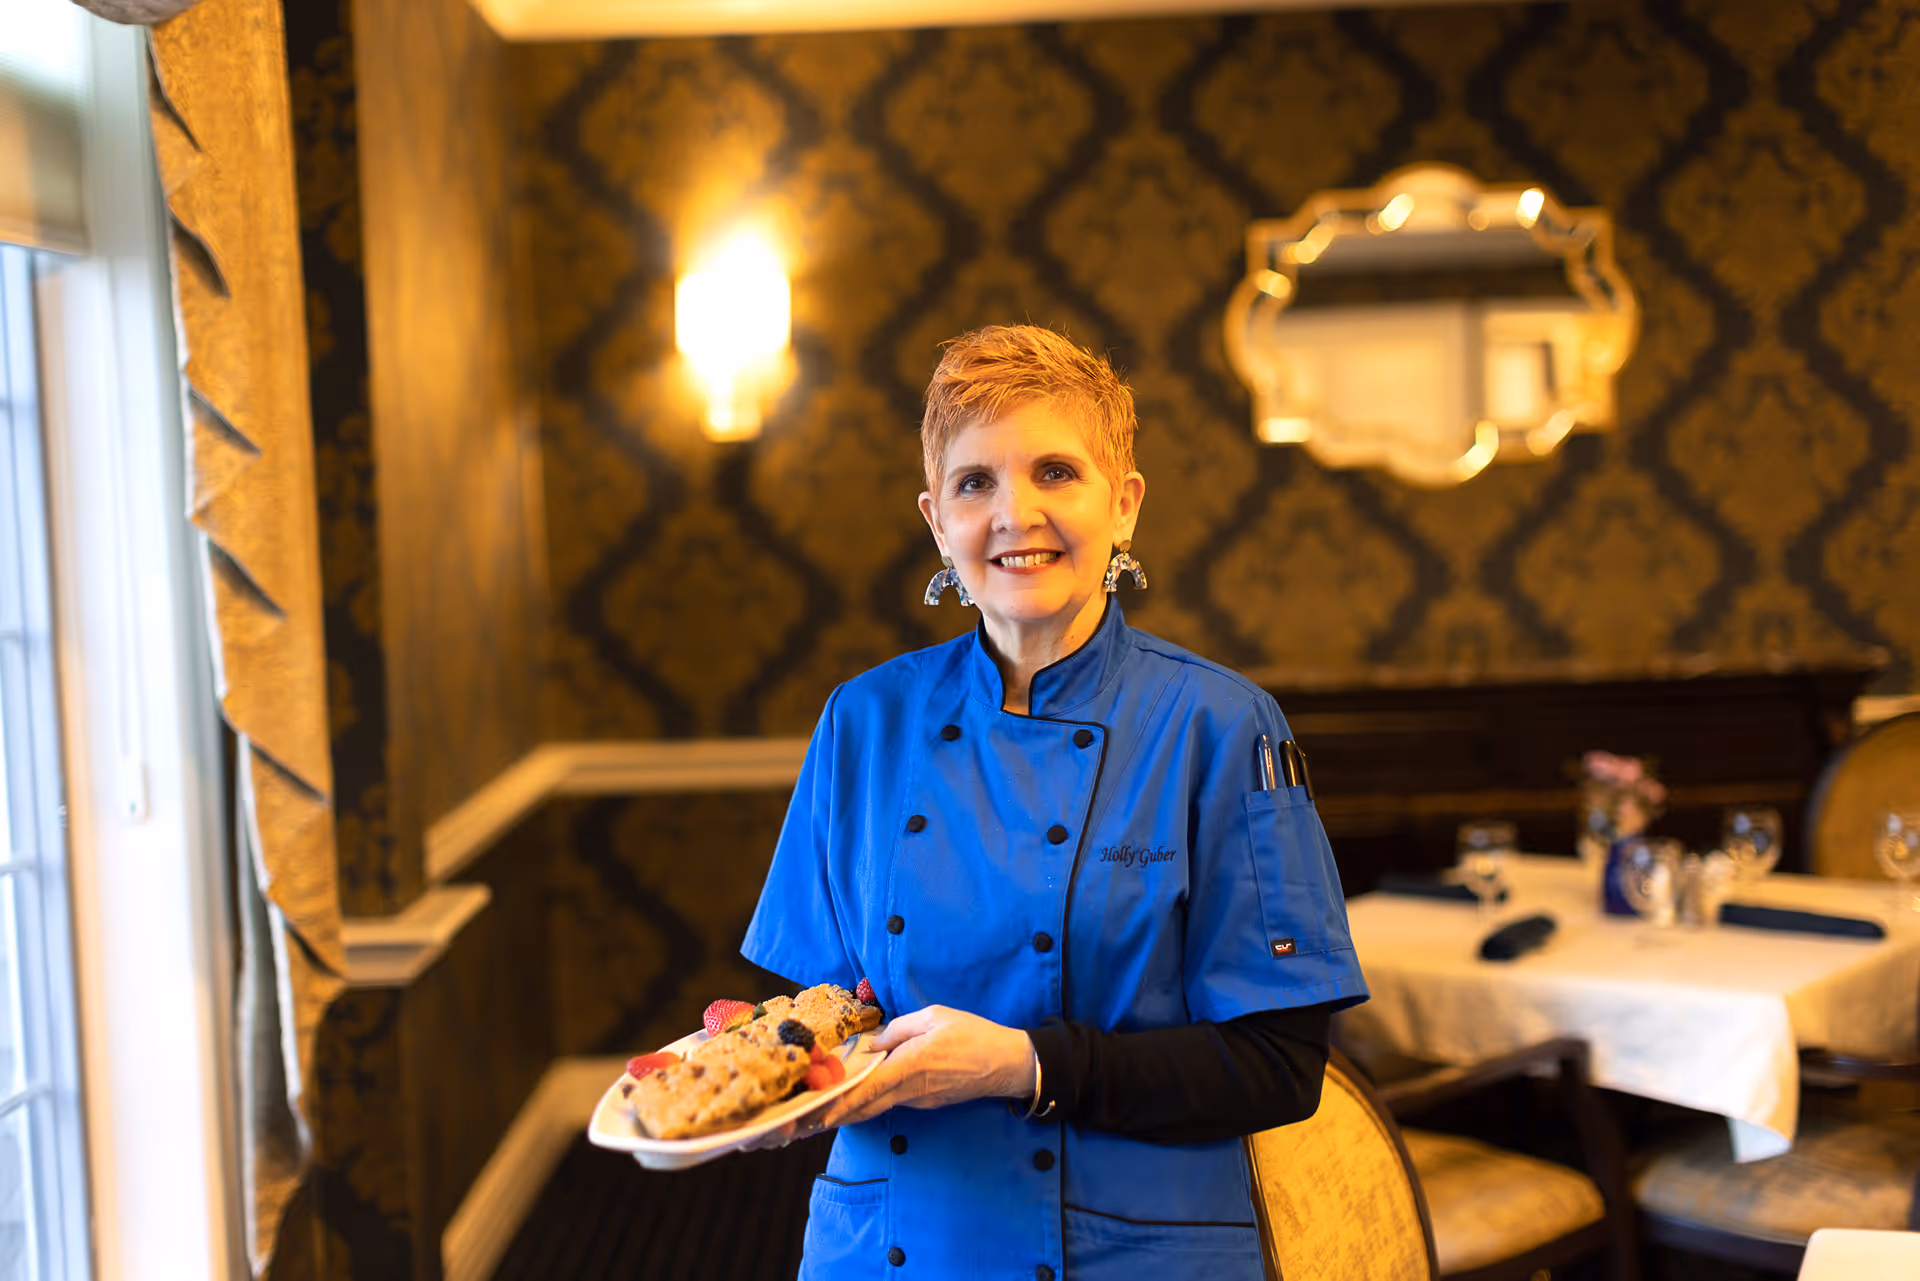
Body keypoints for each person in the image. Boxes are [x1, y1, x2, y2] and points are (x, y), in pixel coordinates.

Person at [743, 325, 1367, 1280]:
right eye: (975, 482)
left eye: (1055, 472)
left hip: (1132, 1247)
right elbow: (829, 1016)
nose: (1014, 514)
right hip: (894, 1242)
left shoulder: (1222, 725)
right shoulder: (863, 721)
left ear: (1124, 505)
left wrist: (1022, 1064)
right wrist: (766, 1088)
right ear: (936, 520)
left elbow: (1278, 1067)